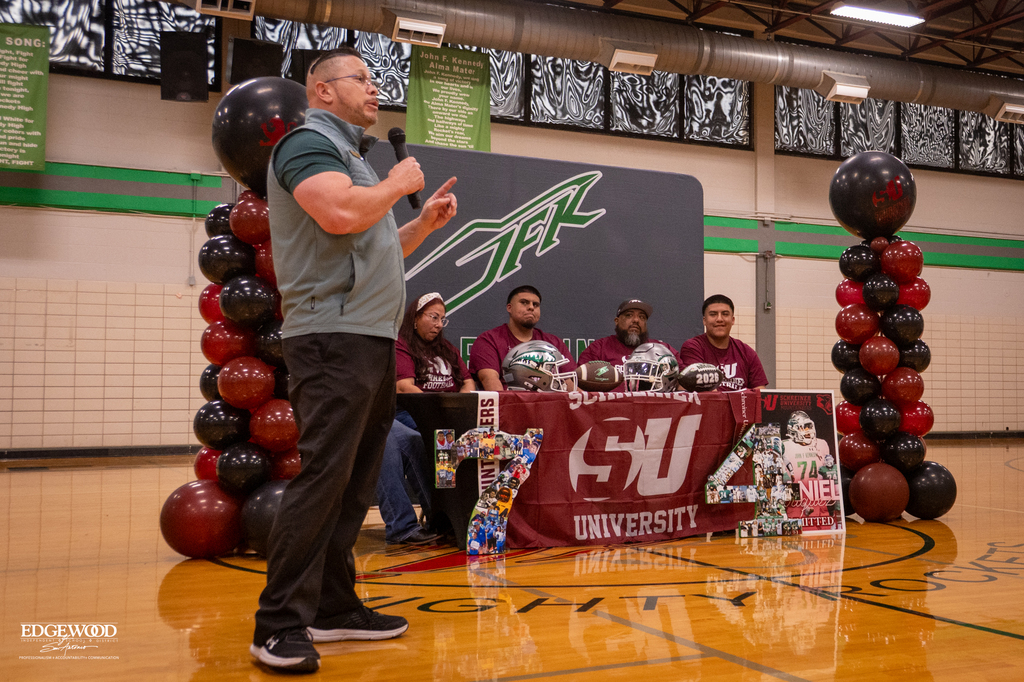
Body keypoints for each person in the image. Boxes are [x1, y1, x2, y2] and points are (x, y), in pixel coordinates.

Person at [251, 47, 459, 674]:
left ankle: (334, 607)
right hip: (330, 336)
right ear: (321, 91)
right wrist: (398, 184)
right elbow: (337, 214)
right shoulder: (306, 144)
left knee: (354, 481)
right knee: (324, 478)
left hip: (366, 334)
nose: (375, 88)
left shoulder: (354, 161)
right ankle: (278, 623)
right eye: (361, 79)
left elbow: (371, 246)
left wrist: (419, 223)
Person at [377, 292, 474, 546]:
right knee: (407, 441)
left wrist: (459, 407)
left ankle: (443, 519)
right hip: (409, 414)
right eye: (433, 317)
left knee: (444, 440)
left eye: (443, 319)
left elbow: (468, 382)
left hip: (447, 415)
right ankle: (403, 527)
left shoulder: (447, 349)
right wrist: (439, 413)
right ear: (416, 317)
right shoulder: (401, 345)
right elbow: (405, 388)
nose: (439, 324)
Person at [468, 285, 576, 390]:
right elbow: (490, 380)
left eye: (536, 305)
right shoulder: (489, 340)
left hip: (549, 404)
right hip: (510, 405)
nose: (531, 307)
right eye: (524, 302)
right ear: (509, 307)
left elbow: (567, 382)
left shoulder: (554, 343)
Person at [578, 299, 676, 391]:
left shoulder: (663, 349)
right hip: (609, 406)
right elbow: (580, 383)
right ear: (617, 321)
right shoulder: (598, 348)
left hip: (652, 405)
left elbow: (682, 379)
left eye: (642, 317)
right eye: (629, 315)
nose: (636, 320)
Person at [678, 294, 768, 391]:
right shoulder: (693, 347)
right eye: (713, 314)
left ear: (732, 320)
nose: (719, 319)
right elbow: (699, 389)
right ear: (704, 321)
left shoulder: (747, 352)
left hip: (741, 405)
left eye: (725, 314)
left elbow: (760, 393)